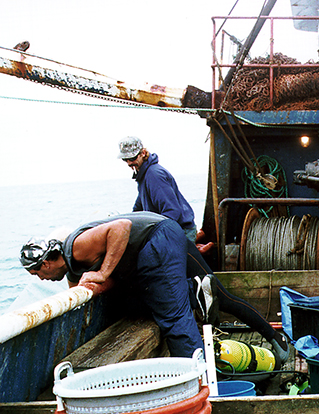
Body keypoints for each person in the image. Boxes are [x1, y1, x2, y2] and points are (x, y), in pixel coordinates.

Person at [19, 212, 289, 366]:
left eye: (38, 272)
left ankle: (200, 384)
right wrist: (101, 282)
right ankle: (279, 343)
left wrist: (102, 272)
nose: (41, 279)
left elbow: (121, 228)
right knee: (222, 295)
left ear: (47, 262)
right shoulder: (73, 272)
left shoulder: (75, 247)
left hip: (157, 241)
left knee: (173, 318)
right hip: (168, 233)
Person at [118, 136, 198, 244]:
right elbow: (139, 207)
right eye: (125, 159)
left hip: (180, 231)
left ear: (143, 153)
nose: (129, 163)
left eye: (132, 158)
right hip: (170, 229)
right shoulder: (143, 175)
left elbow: (172, 211)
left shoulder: (154, 175)